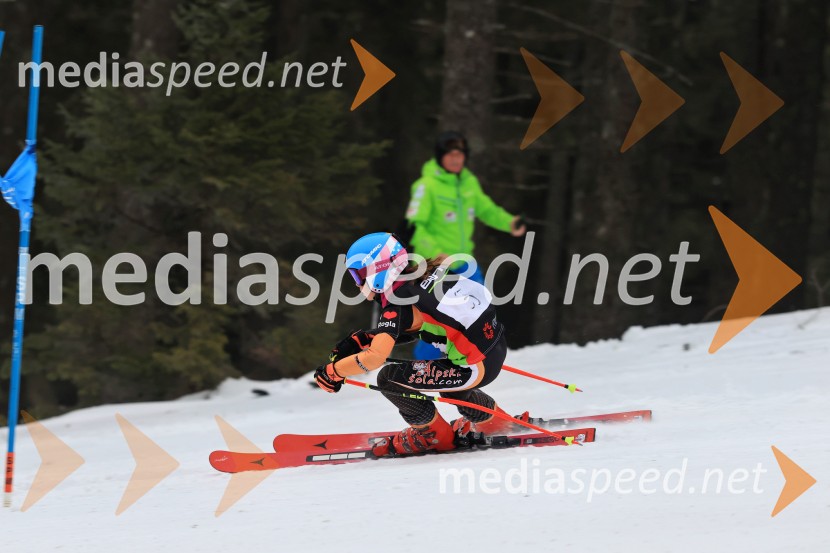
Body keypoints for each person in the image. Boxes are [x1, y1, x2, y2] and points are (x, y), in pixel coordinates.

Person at [314, 232, 527, 457]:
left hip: (474, 368)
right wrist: (365, 338)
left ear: (378, 271)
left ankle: (434, 436)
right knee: (450, 387)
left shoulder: (397, 303)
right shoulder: (422, 275)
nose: (357, 285)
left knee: (389, 378)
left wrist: (332, 372)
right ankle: (495, 423)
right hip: (493, 349)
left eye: (358, 276)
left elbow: (375, 357)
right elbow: (423, 325)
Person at [402, 131, 526, 360]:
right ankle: (425, 363)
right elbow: (415, 226)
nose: (456, 159)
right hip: (437, 266)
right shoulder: (427, 186)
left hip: (465, 263)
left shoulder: (468, 183)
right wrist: (435, 253)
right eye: (450, 154)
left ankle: (475, 355)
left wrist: (510, 222)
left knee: (480, 309)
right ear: (440, 157)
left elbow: (486, 209)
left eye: (460, 154)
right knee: (438, 318)